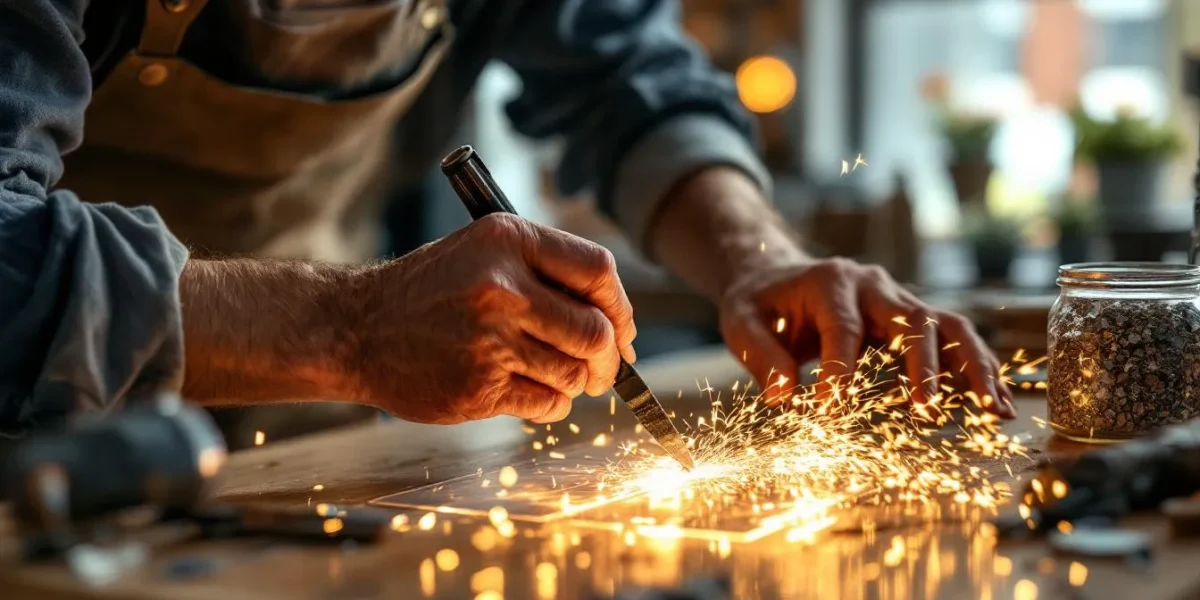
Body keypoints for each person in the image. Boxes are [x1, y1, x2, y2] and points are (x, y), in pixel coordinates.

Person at [0, 0, 1014, 437]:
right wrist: (348, 330)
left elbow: (623, 78)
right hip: (37, 442)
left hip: (314, 439)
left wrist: (755, 258)